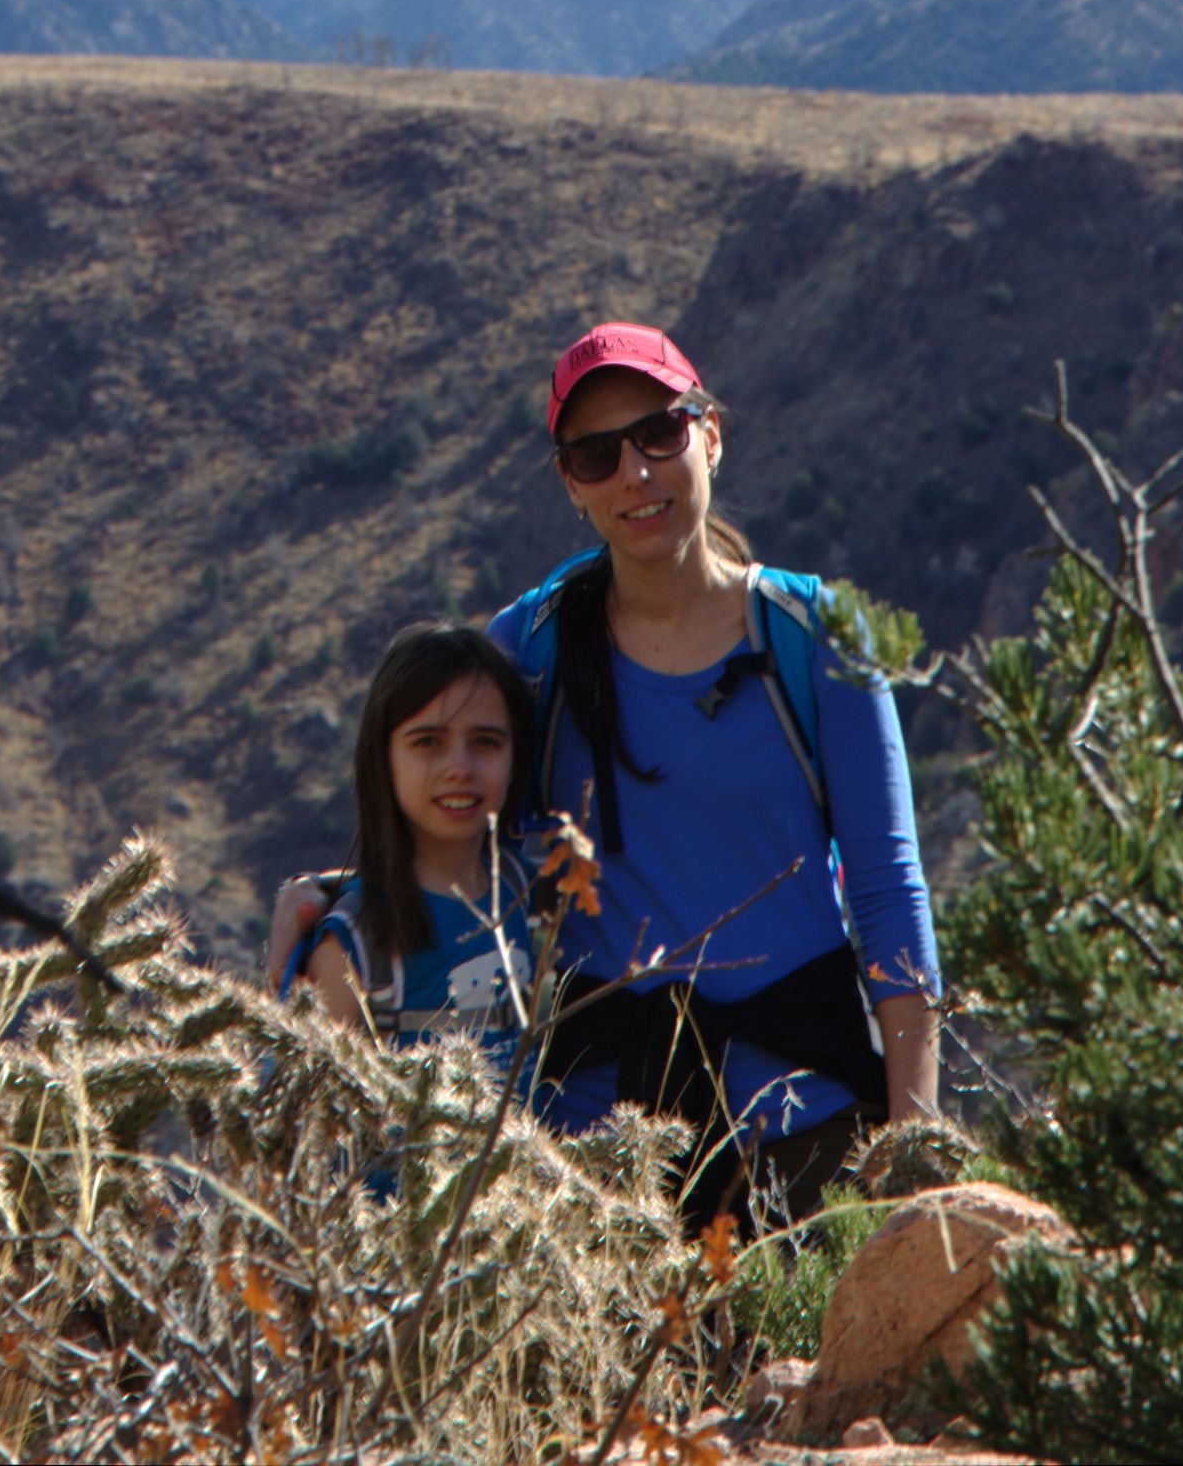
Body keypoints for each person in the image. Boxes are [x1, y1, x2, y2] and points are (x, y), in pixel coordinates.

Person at [270, 323, 939, 1225]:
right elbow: (453, 805)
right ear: (570, 486)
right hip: (594, 1148)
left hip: (804, 1125)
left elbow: (890, 891)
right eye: (596, 455)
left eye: (659, 434)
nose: (635, 474)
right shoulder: (534, 647)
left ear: (709, 432)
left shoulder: (819, 637)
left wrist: (913, 1146)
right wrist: (334, 902)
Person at [282, 622, 537, 1084]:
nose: (459, 768)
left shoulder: (522, 892)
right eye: (427, 742)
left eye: (486, 742)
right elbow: (302, 1120)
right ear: (383, 758)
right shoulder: (356, 942)